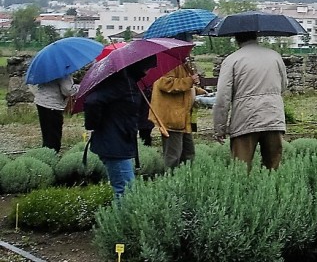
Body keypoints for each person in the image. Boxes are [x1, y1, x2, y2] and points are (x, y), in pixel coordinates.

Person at [213, 31, 288, 170]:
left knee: (241, 169)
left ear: (236, 39)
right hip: (273, 116)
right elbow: (283, 86)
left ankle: (244, 192)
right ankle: (273, 192)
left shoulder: (232, 60)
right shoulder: (275, 57)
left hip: (245, 119)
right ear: (256, 36)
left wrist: (219, 128)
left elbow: (223, 98)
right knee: (273, 168)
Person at [84, 55, 157, 198]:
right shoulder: (119, 83)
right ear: (138, 66)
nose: (148, 72)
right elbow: (92, 101)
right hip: (113, 143)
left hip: (120, 140)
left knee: (124, 188)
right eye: (147, 68)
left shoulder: (129, 82)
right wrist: (93, 125)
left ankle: (122, 219)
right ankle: (120, 220)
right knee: (125, 190)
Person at [149, 62, 206, 169]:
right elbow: (164, 83)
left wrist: (197, 90)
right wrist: (189, 81)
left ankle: (186, 180)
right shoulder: (169, 65)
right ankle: (171, 182)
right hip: (172, 118)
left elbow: (183, 86)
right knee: (173, 157)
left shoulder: (183, 63)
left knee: (188, 154)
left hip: (183, 118)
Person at [33, 75, 79, 152]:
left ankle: (46, 152)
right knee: (53, 135)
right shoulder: (63, 73)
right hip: (53, 105)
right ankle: (51, 155)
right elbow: (68, 91)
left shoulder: (47, 69)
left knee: (47, 132)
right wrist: (79, 87)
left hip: (41, 102)